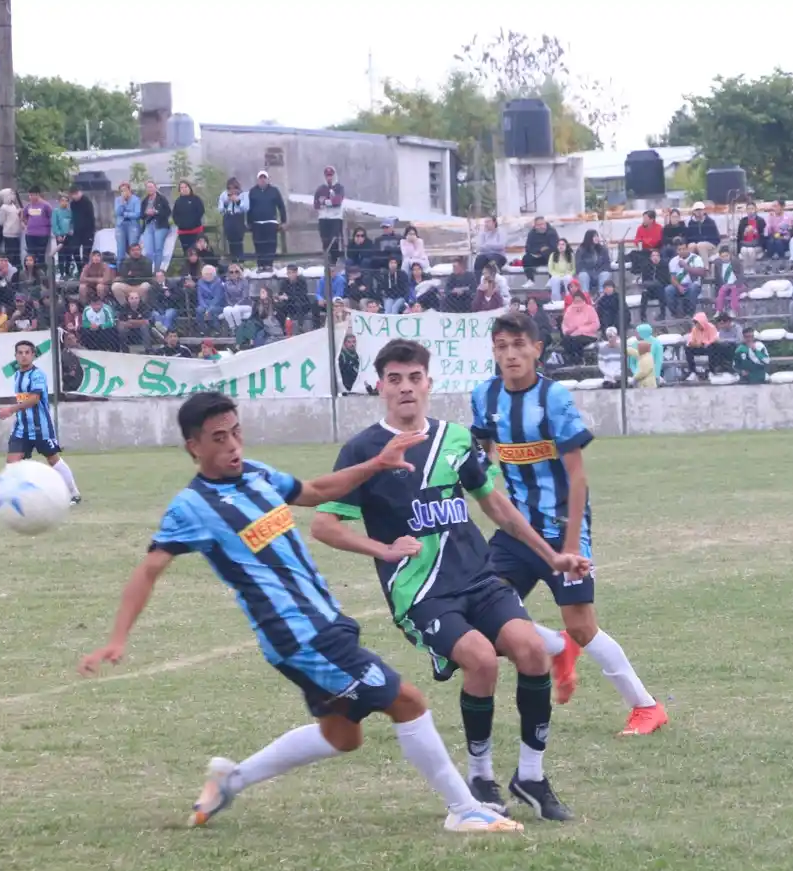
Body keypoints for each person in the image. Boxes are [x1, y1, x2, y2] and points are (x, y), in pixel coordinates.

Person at [77, 392, 519, 834]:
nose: (233, 445)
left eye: (236, 432)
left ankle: (232, 779)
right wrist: (117, 638)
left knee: (342, 735)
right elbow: (149, 570)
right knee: (408, 701)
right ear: (194, 447)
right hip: (301, 638)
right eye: (218, 438)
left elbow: (315, 491)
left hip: (323, 621)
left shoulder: (256, 474)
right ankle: (465, 808)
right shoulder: (191, 507)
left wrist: (376, 465)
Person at [310, 339, 591, 820]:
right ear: (380, 386)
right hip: (420, 591)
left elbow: (495, 505)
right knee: (482, 662)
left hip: (478, 577)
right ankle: (480, 775)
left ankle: (531, 776)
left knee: (532, 650)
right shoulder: (364, 450)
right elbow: (324, 525)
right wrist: (385, 549)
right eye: (394, 379)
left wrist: (554, 554)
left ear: (429, 383)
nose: (405, 388)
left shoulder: (454, 438)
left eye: (414, 378)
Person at [472, 314, 668, 733]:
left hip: (563, 528)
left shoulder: (554, 398)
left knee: (582, 626)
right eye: (501, 346)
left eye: (518, 345)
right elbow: (481, 457)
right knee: (484, 618)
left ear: (537, 349)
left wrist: (572, 541)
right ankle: (557, 647)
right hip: (514, 531)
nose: (510, 354)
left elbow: (577, 475)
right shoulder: (485, 397)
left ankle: (647, 707)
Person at [0, 340, 82, 502]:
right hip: (21, 427)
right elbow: (23, 399)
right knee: (12, 463)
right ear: (15, 356)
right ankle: (11, 498)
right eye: (20, 353)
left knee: (52, 459)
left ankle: (74, 493)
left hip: (40, 427)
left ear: (33, 355)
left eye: (27, 352)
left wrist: (10, 410)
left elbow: (34, 399)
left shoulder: (38, 375)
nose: (23, 356)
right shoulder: (17, 375)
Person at [246, 172, 287, 272]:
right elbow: (248, 208)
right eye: (261, 178)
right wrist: (249, 222)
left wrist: (283, 221)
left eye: (264, 178)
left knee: (271, 244)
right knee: (258, 244)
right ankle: (261, 265)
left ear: (267, 179)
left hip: (270, 222)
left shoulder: (274, 191)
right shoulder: (252, 191)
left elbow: (281, 206)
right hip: (257, 223)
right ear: (258, 179)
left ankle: (269, 265)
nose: (262, 180)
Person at [217, 179, 247, 264]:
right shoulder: (224, 194)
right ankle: (233, 262)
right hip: (228, 217)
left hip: (238, 218)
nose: (232, 190)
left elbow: (246, 208)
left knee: (239, 242)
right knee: (231, 242)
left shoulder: (243, 195)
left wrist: (238, 201)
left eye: (234, 188)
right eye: (229, 188)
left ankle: (241, 262)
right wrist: (226, 203)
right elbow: (220, 209)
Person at [575, 230, 612, 296]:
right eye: (594, 236)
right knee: (583, 275)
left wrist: (598, 272)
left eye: (597, 236)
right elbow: (579, 266)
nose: (597, 238)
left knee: (605, 274)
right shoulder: (581, 250)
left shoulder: (603, 249)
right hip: (587, 273)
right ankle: (585, 296)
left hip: (599, 272)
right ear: (589, 238)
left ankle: (602, 295)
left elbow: (607, 264)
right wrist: (591, 273)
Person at [712, 245, 744, 315]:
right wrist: (722, 286)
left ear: (730, 255)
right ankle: (719, 310)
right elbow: (717, 278)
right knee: (721, 292)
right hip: (726, 285)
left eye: (726, 256)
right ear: (720, 256)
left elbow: (741, 276)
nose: (725, 258)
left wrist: (735, 285)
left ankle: (734, 310)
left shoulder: (736, 262)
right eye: (723, 256)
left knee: (734, 291)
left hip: (737, 285)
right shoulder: (717, 264)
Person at [546, 238, 575, 302]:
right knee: (555, 279)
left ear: (566, 246)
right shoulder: (553, 255)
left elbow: (573, 269)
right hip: (556, 275)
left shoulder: (571, 255)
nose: (561, 246)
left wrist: (569, 274)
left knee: (568, 278)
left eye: (563, 244)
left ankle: (569, 300)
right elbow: (550, 269)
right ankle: (556, 301)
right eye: (559, 244)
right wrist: (558, 275)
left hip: (567, 275)